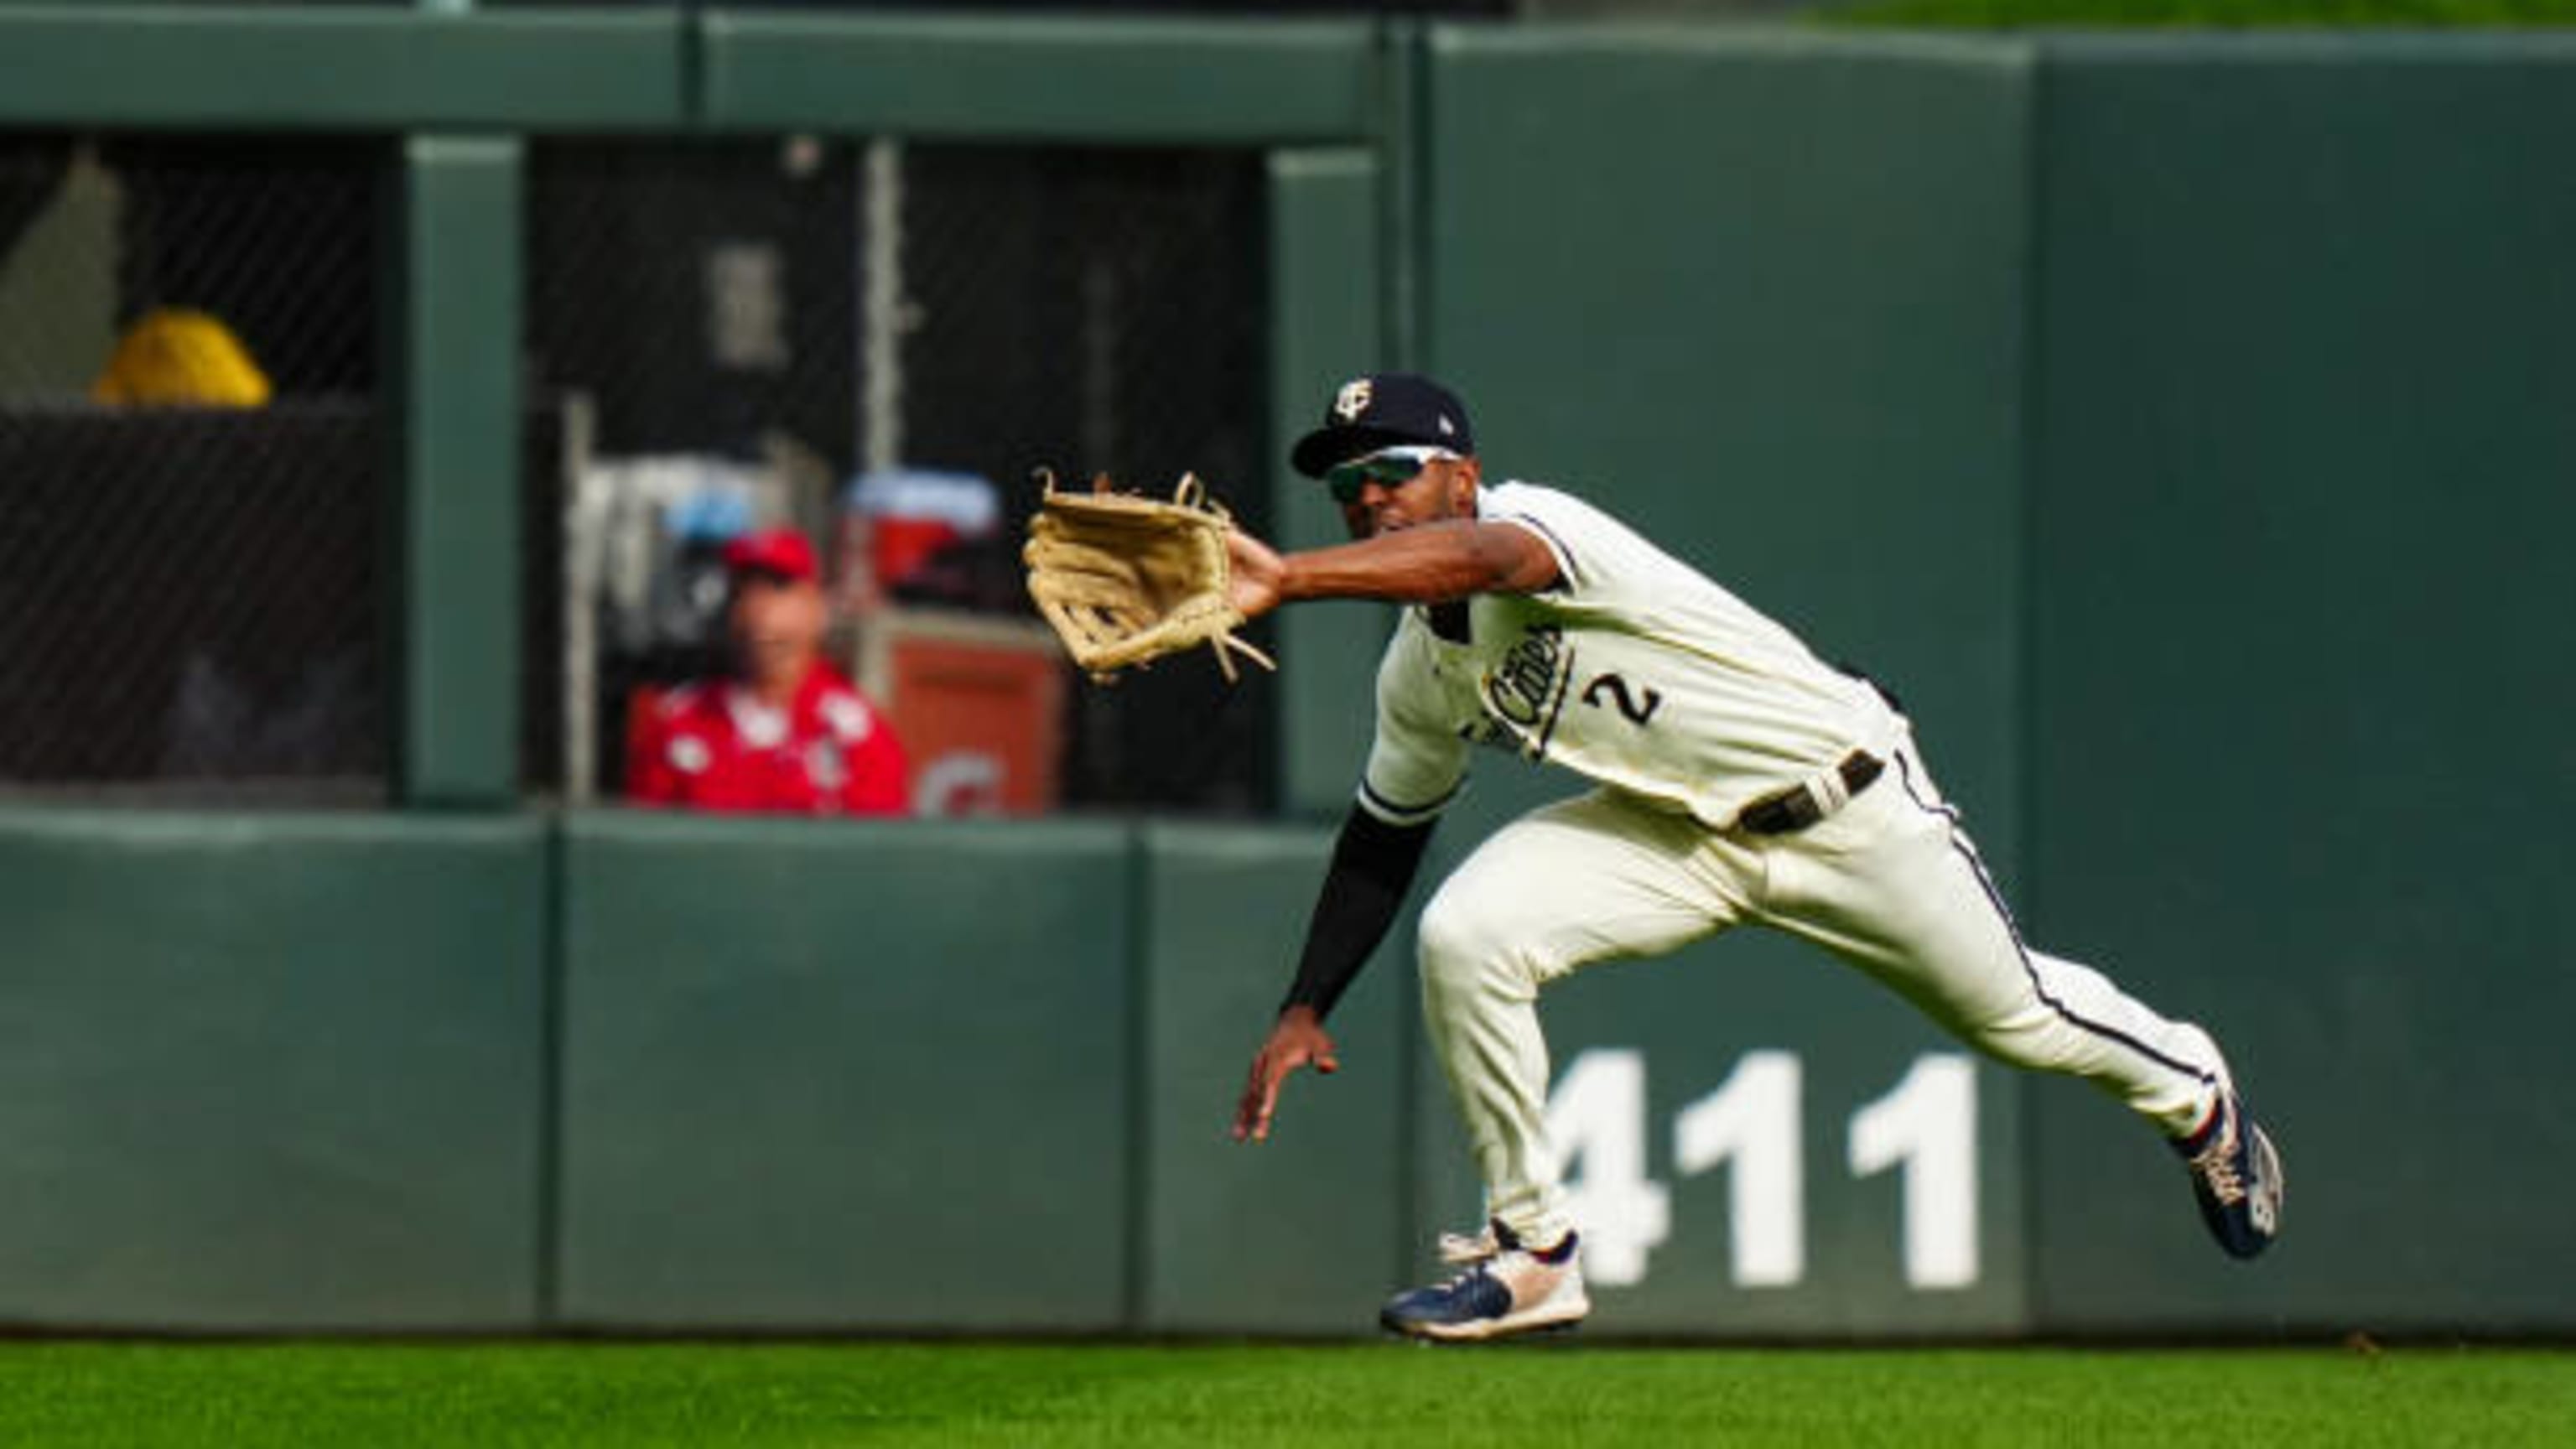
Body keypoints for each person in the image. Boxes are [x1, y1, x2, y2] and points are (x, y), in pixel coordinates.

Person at [1225, 373, 2283, 1343]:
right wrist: (1306, 1000)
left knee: (2021, 1019)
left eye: (1390, 474)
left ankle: (2192, 1088)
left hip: (1847, 809)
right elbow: (1384, 831)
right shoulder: (1420, 676)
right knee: (1468, 935)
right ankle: (1534, 1252)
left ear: (1465, 474)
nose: (1367, 499)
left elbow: (1490, 562)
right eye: (1346, 486)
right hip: (1677, 835)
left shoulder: (1535, 525)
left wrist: (1292, 579)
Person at [626, 527, 910, 815]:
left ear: (817, 609)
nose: (758, 610)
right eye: (743, 592)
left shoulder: (855, 735)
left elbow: (878, 852)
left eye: (778, 589)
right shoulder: (681, 724)